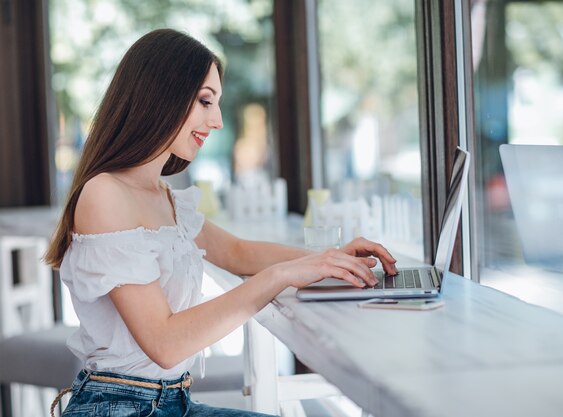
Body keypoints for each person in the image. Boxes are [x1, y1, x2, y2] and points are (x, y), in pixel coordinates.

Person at [45, 28, 398, 417]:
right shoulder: (105, 194)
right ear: (161, 94)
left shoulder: (164, 197)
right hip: (120, 408)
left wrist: (327, 258)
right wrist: (279, 276)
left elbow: (237, 252)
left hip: (172, 403)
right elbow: (165, 343)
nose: (216, 122)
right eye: (204, 102)